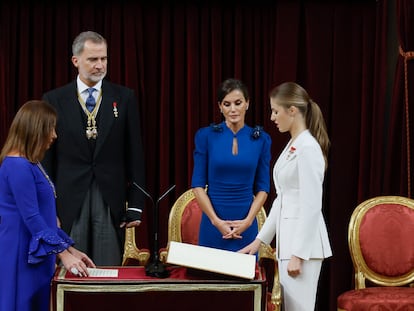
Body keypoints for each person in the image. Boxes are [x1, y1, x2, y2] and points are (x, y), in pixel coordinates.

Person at [42, 31, 145, 266]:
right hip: (68, 199)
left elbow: (135, 154)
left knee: (107, 268)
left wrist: (136, 204)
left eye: (104, 59)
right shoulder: (54, 99)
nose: (100, 65)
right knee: (73, 270)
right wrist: (48, 207)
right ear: (75, 61)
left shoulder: (124, 97)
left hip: (110, 197)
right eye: (93, 59)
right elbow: (47, 159)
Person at [239, 82, 332, 310]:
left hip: (303, 249)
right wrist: (259, 241)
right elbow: (283, 200)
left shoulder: (308, 147)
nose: (272, 117)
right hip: (289, 244)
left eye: (275, 111)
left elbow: (311, 205)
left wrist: (298, 254)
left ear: (292, 111)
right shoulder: (294, 143)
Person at [0, 100, 96, 311]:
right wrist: (63, 255)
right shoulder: (18, 166)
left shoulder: (30, 162)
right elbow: (32, 217)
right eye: (50, 128)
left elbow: (46, 217)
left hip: (37, 252)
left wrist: (70, 248)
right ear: (35, 129)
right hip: (21, 255)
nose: (54, 135)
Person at [191, 78, 271, 253]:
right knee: (211, 278)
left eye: (238, 103)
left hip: (246, 226)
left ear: (247, 104)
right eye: (227, 104)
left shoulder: (261, 139)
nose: (233, 109)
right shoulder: (205, 136)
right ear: (220, 106)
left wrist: (249, 221)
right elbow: (197, 185)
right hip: (213, 226)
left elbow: (263, 188)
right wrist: (216, 221)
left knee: (247, 279)